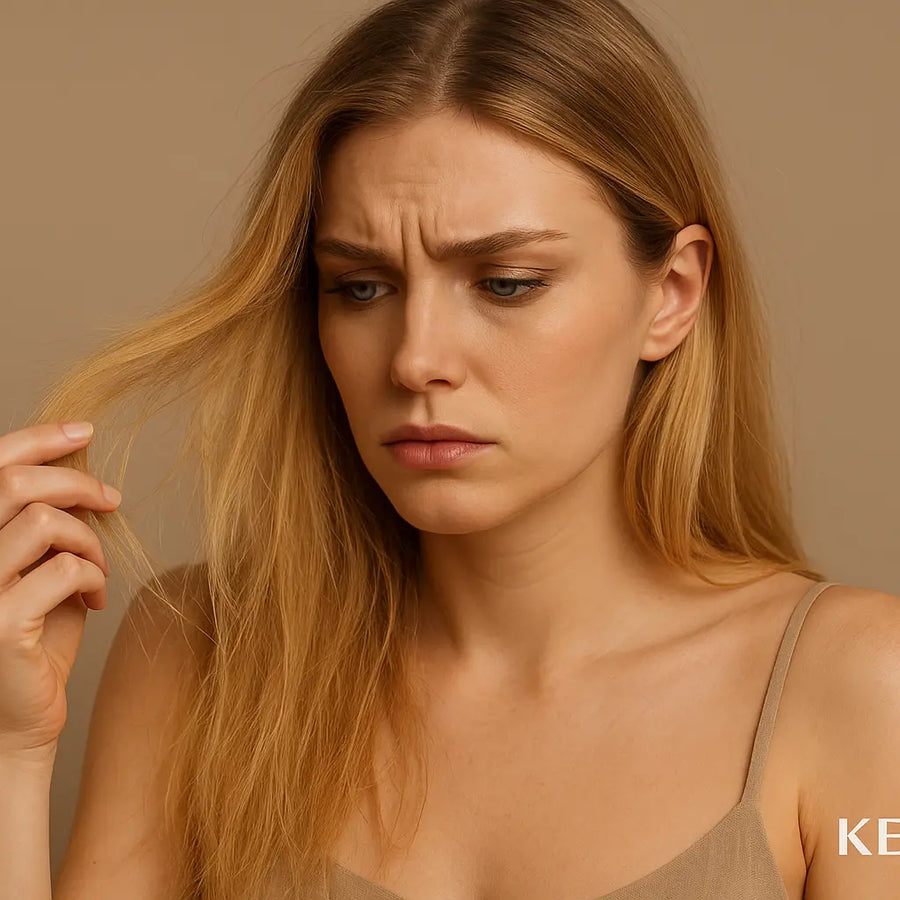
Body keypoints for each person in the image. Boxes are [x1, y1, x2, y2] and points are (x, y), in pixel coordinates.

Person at [1, 1, 898, 899]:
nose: (416, 357)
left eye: (506, 283)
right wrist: (13, 752)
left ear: (670, 292)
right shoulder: (197, 654)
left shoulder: (861, 687)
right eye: (361, 287)